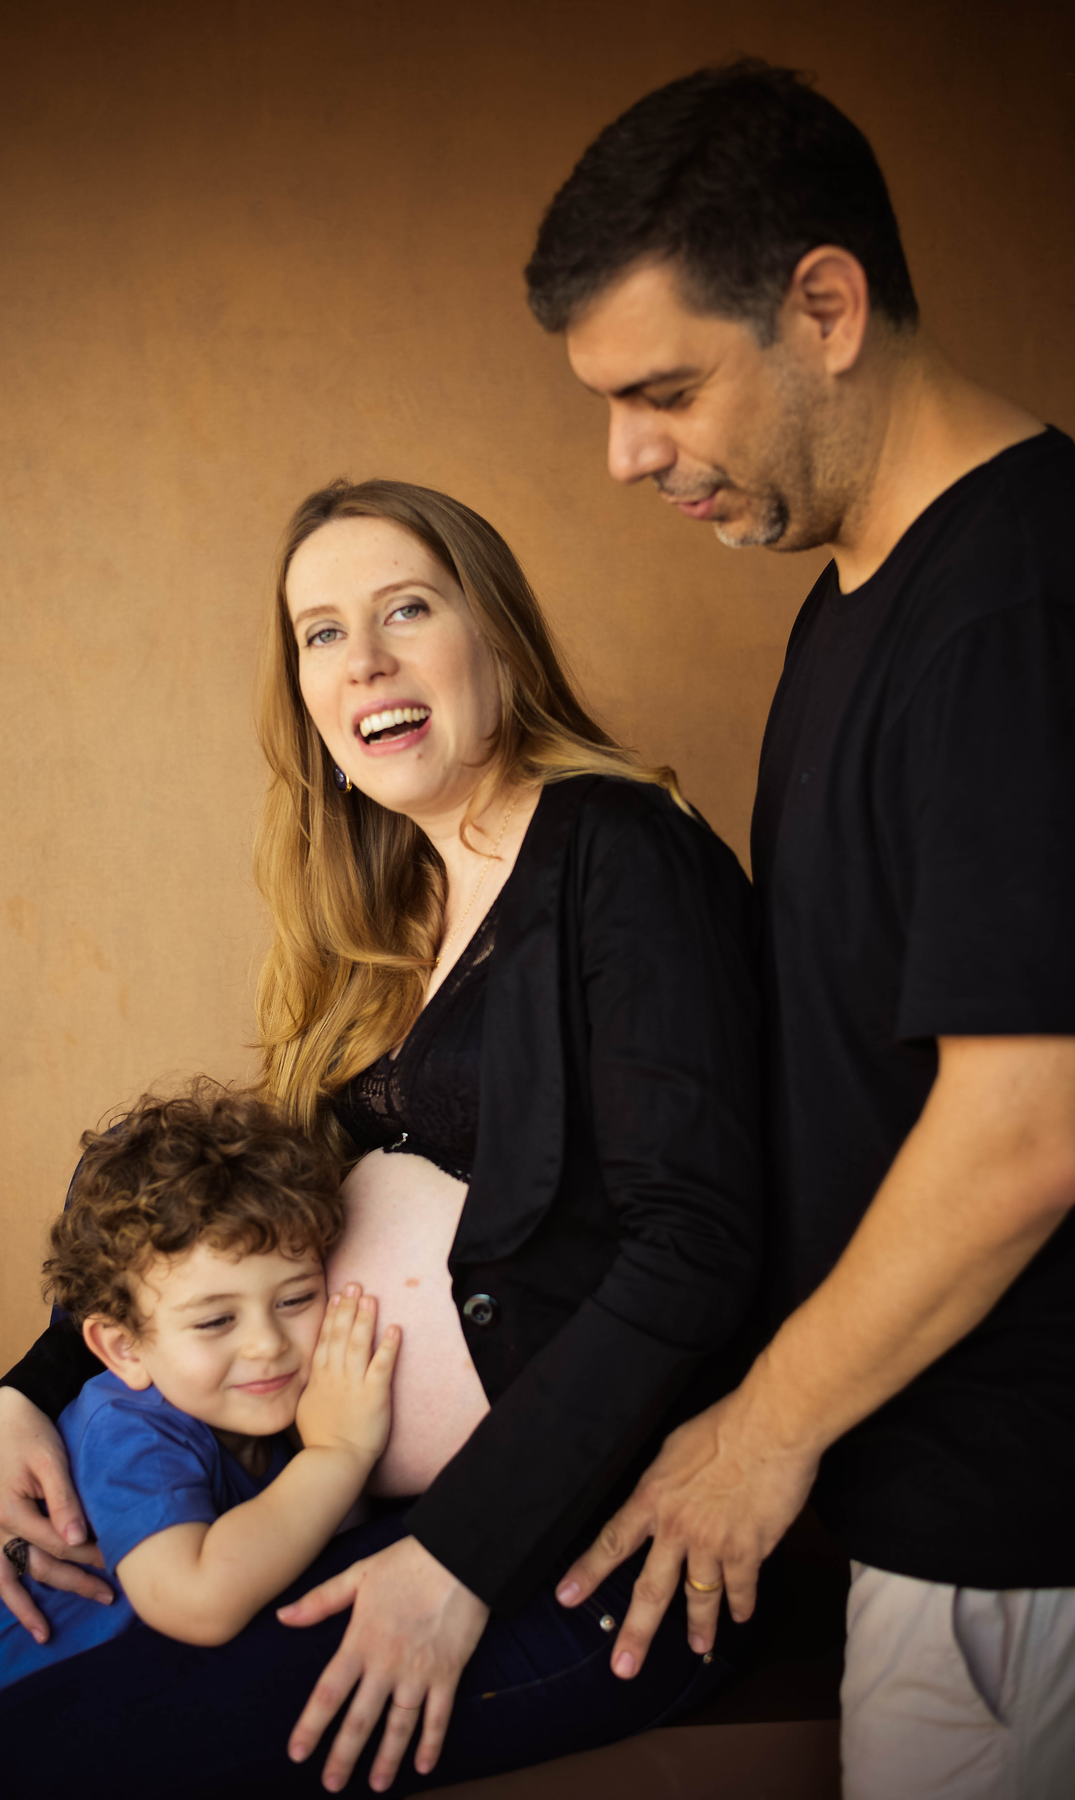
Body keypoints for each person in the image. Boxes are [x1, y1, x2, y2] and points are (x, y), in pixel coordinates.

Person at [0, 479, 764, 1796]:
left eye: (406, 609)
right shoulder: (387, 905)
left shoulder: (621, 854)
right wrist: (28, 1392)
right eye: (320, 632)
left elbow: (697, 1249)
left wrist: (455, 1565)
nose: (362, 657)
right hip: (390, 1508)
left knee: (26, 1769)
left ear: (498, 637)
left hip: (580, 1548)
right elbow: (230, 1207)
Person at [524, 57, 1075, 1800]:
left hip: (1023, 1540)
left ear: (823, 304)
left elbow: (1032, 1123)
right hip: (922, 1502)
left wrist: (757, 1437)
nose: (626, 455)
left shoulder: (1016, 608)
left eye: (665, 389)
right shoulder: (854, 597)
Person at [0, 1083, 400, 1799]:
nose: (267, 1345)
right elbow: (198, 1600)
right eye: (215, 1321)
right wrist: (340, 1453)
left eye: (296, 1299)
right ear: (122, 1348)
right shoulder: (127, 1428)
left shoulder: (266, 1421)